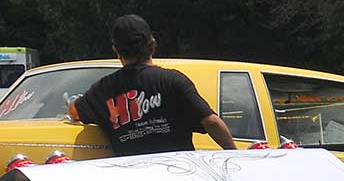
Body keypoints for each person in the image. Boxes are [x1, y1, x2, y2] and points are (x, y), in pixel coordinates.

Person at [70, 15, 237, 155]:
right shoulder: (173, 81)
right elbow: (211, 122)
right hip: (179, 174)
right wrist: (235, 155)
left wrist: (72, 102)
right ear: (152, 44)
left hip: (135, 178)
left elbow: (75, 111)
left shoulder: (103, 89)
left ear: (116, 50)